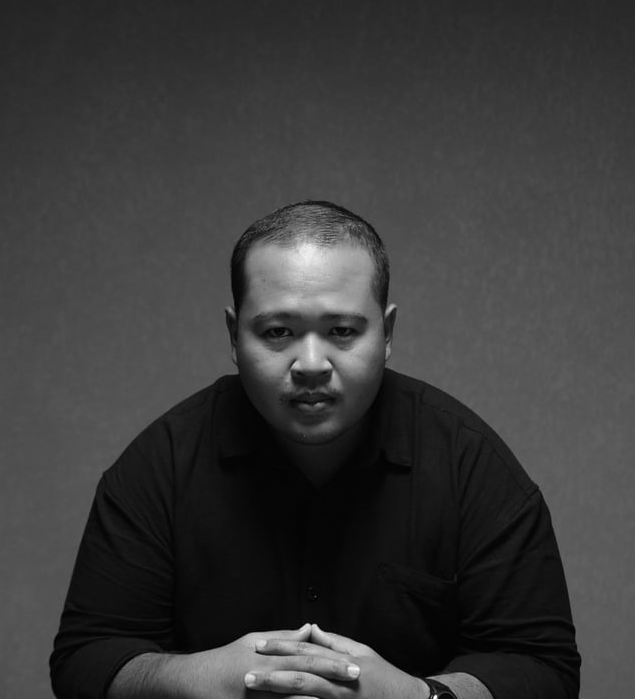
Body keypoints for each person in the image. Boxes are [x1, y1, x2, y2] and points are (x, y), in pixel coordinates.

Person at [50, 200, 580, 699]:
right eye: (278, 331)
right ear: (234, 335)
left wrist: (417, 695)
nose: (310, 364)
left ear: (387, 332)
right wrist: (193, 677)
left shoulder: (471, 465)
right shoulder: (160, 464)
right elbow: (84, 658)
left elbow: (544, 668)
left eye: (342, 330)